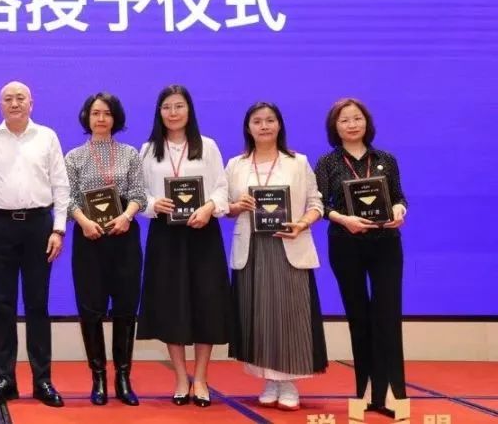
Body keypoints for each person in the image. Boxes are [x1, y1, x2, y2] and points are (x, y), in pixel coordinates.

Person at [225, 102, 328, 411]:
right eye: (257, 121)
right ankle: (269, 380)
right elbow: (224, 207)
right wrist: (236, 206)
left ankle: (289, 383)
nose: (264, 126)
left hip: (288, 246)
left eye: (270, 120)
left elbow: (316, 203)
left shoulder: (298, 162)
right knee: (258, 317)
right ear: (248, 128)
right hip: (252, 249)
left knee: (290, 316)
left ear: (279, 125)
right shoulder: (236, 165)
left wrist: (302, 224)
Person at [0, 81, 68, 408]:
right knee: (3, 304)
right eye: (8, 99)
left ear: (31, 103)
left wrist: (58, 229)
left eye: (20, 98)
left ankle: (42, 380)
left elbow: (60, 185)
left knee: (37, 304)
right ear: (0, 105)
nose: (14, 103)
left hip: (39, 225)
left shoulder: (47, 136)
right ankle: (5, 380)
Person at [136, 84, 231, 408]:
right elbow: (139, 193)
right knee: (170, 304)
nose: (173, 112)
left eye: (179, 106)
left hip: (203, 233)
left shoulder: (208, 146)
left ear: (189, 110)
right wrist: (153, 204)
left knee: (206, 302)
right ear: (159, 112)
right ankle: (180, 377)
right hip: (165, 235)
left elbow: (222, 188)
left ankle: (201, 378)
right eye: (167, 107)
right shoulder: (148, 149)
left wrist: (209, 208)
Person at [315, 98, 408, 417]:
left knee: (388, 316)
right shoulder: (327, 162)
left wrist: (399, 210)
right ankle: (366, 392)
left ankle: (393, 394)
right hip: (346, 244)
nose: (352, 124)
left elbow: (399, 196)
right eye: (344, 120)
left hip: (386, 244)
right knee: (359, 317)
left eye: (357, 118)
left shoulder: (386, 159)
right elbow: (319, 204)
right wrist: (344, 219)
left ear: (367, 122)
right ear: (334, 127)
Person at [64, 92, 145, 406]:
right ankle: (98, 377)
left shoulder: (130, 153)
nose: (101, 119)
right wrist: (84, 222)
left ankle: (123, 377)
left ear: (116, 118)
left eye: (107, 113)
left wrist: (126, 216)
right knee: (91, 309)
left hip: (124, 236)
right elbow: (68, 198)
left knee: (125, 307)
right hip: (89, 237)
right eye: (95, 113)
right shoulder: (74, 157)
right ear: (87, 117)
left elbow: (138, 194)